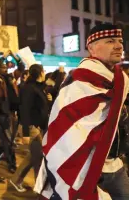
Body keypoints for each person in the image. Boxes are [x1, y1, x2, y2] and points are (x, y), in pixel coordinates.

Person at [35, 24, 129, 200]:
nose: (118, 46)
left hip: (114, 164)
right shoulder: (79, 80)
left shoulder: (121, 80)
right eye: (110, 41)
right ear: (91, 48)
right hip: (85, 166)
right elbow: (65, 131)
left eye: (120, 41)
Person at [9, 64, 52, 192]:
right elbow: (25, 110)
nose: (45, 73)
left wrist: (48, 99)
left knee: (34, 156)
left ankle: (16, 179)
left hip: (39, 127)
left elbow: (41, 108)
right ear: (39, 73)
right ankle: (40, 188)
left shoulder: (40, 88)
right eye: (43, 71)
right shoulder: (28, 88)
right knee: (38, 157)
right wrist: (26, 133)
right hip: (32, 127)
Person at [0, 50, 17, 173]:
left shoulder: (9, 79)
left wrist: (16, 57)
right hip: (1, 114)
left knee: (6, 139)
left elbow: (20, 68)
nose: (5, 69)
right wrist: (4, 56)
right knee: (8, 140)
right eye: (3, 67)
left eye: (6, 67)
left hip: (9, 112)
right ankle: (12, 163)